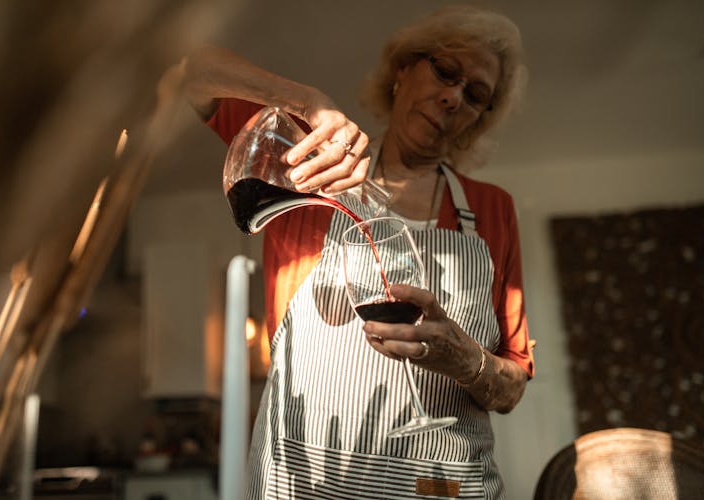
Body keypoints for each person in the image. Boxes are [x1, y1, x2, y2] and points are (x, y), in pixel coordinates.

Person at [179, 5, 534, 498]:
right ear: (403, 70)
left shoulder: (491, 209)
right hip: (306, 483)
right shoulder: (309, 163)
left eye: (475, 95)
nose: (454, 96)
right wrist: (306, 101)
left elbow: (512, 384)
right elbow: (187, 69)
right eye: (446, 71)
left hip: (443, 487)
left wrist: (466, 360)